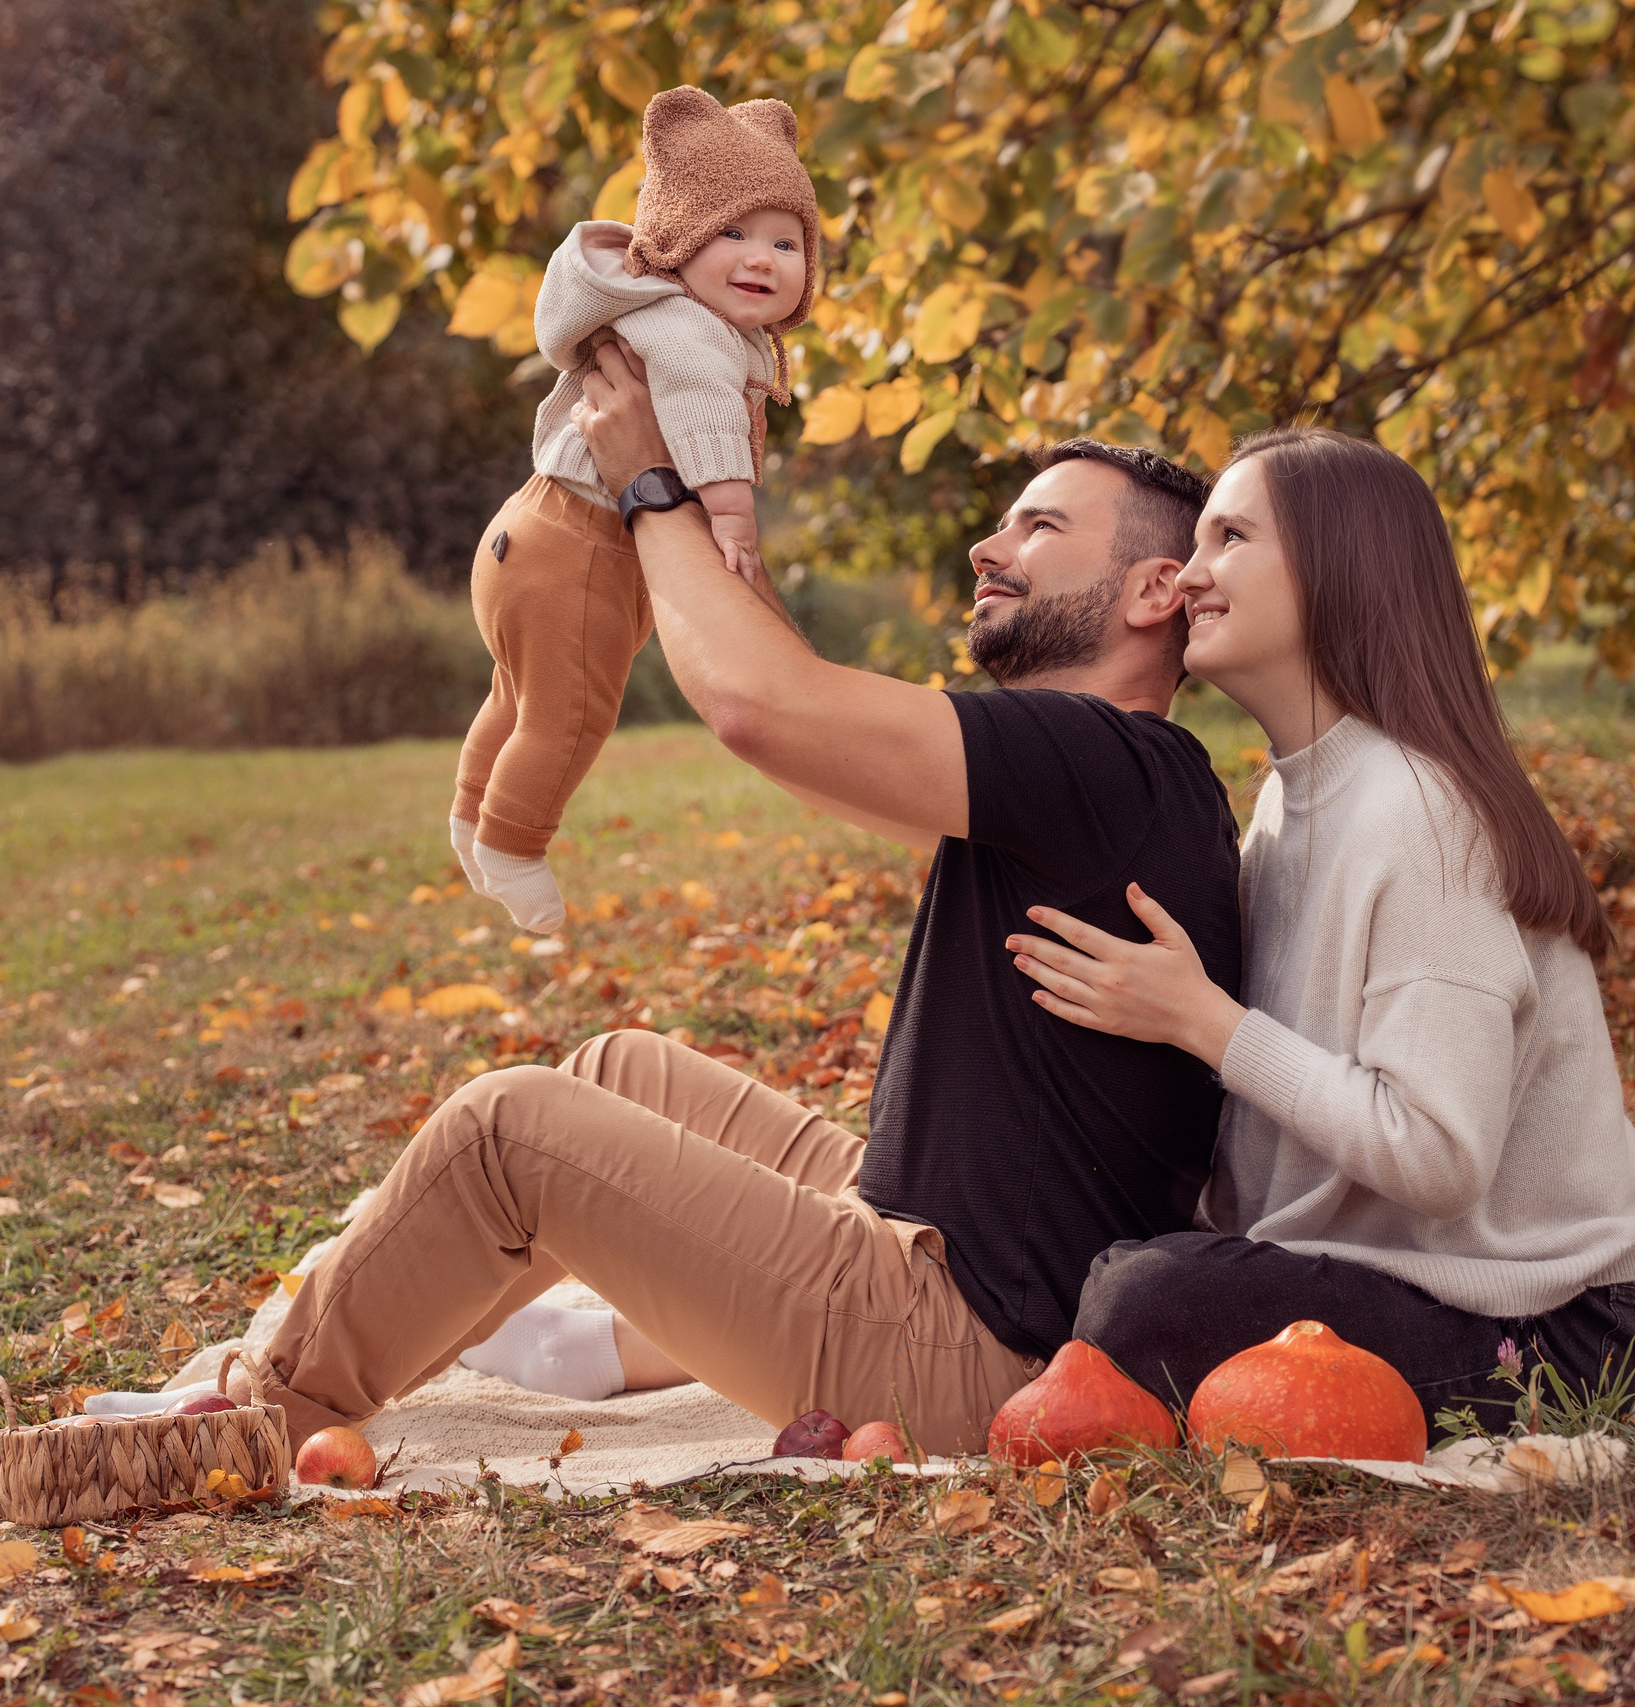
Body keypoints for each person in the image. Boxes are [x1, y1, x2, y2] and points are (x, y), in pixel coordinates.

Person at [237, 406, 1244, 1456]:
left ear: (1152, 590)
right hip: (944, 1258)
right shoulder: (1114, 778)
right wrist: (729, 549)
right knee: (617, 1070)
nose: (989, 549)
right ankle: (457, 1332)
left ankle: (260, 1416)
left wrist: (647, 488)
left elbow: (761, 709)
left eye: (1038, 528)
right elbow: (814, 727)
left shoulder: (1096, 759)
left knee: (508, 1132)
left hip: (969, 1355)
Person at [1004, 427, 1635, 1431]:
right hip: (1380, 1275)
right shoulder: (1290, 800)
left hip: (1541, 1334)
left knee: (1144, 1301)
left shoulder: (1420, 814)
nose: (1189, 572)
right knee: (1107, 1260)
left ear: (1335, 569)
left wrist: (1206, 1023)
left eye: (1231, 538)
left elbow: (1438, 1158)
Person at [450, 87, 816, 935]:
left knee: (517, 694)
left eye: (786, 242)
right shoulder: (688, 332)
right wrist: (730, 517)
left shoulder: (668, 315)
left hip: (526, 532)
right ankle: (513, 842)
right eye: (732, 233)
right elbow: (703, 418)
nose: (762, 257)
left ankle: (471, 811)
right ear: (679, 240)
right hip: (579, 551)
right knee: (574, 711)